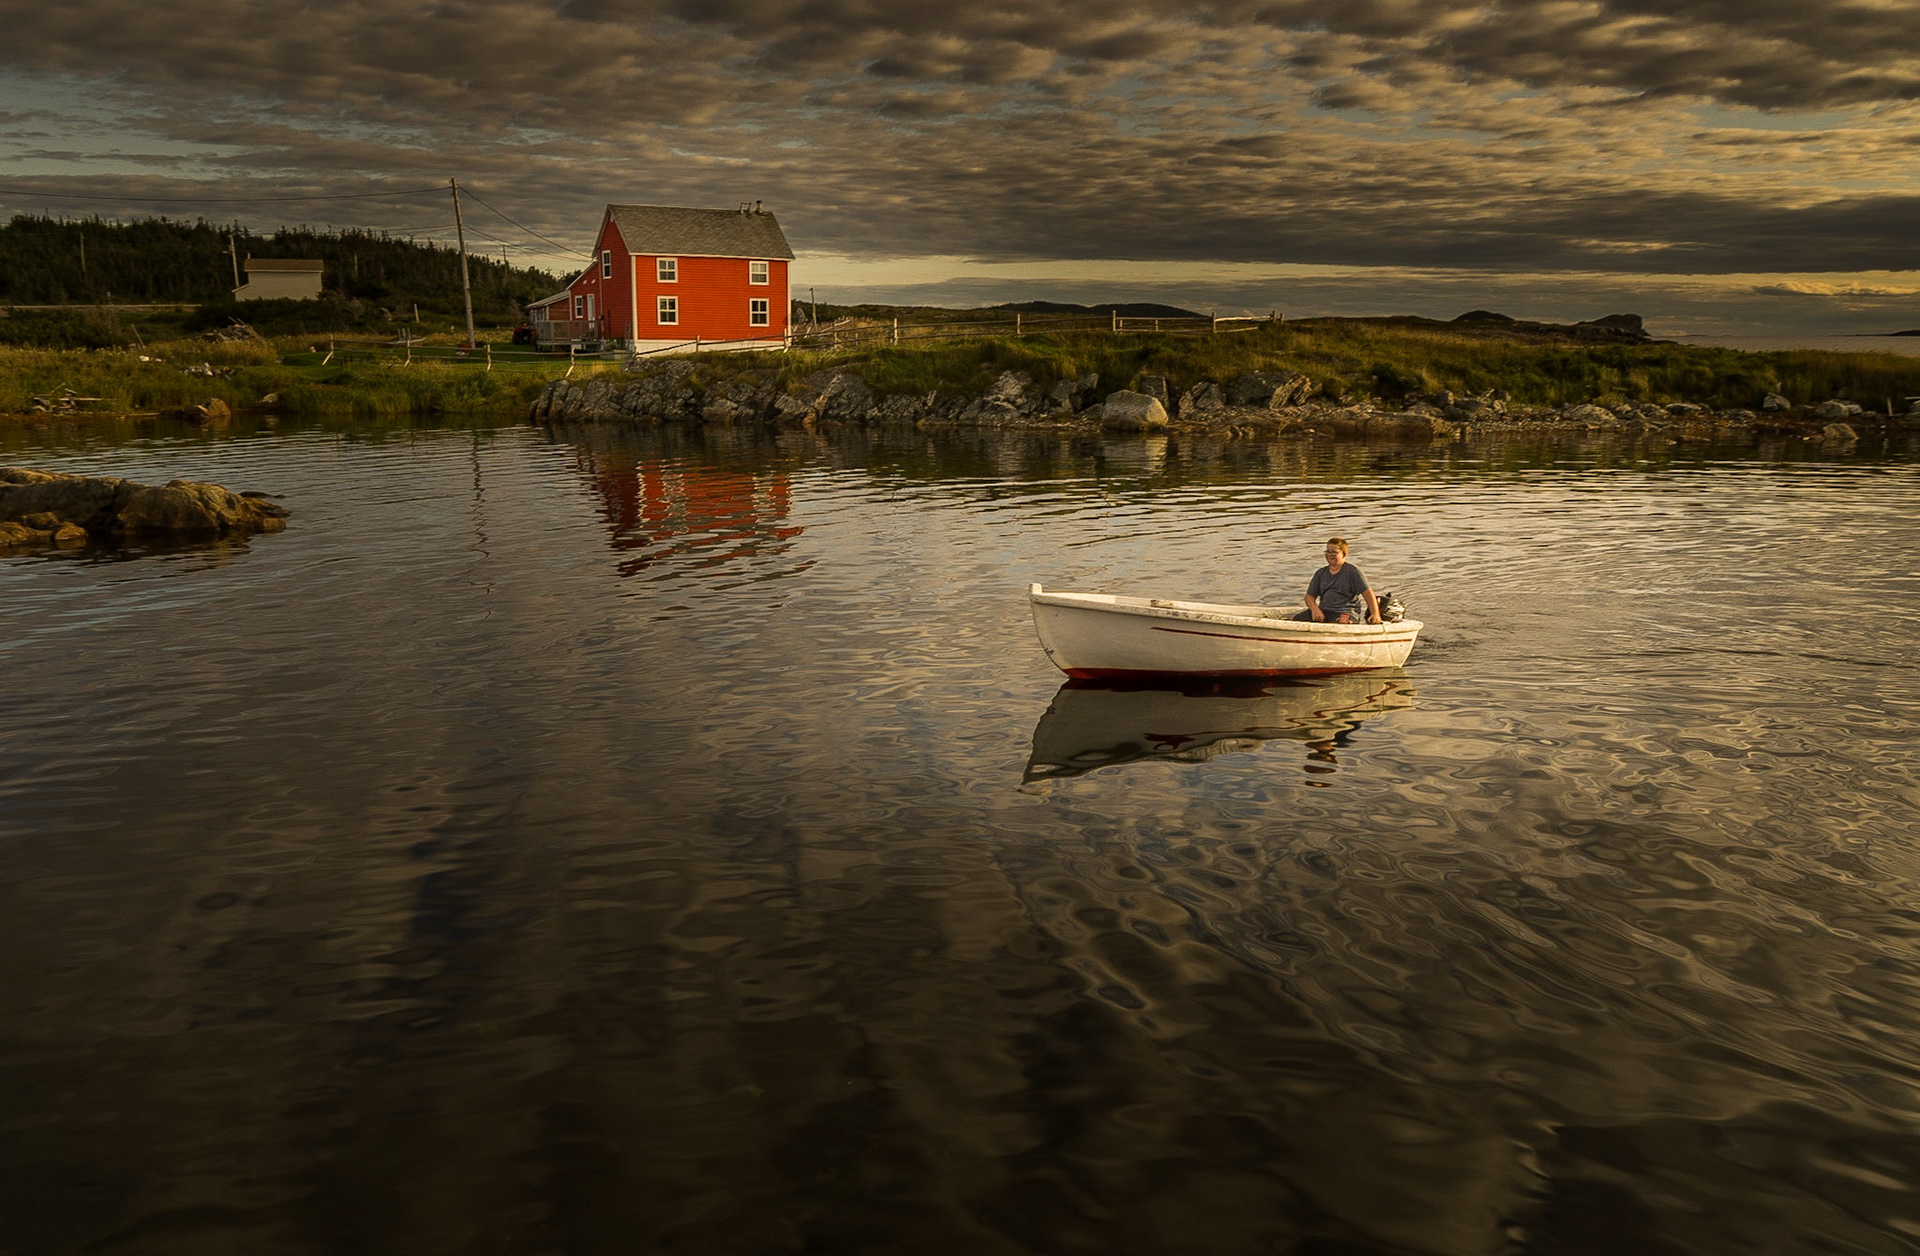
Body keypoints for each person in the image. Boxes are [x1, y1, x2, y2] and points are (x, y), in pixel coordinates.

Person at [1295, 537, 1382, 624]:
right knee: (1297, 619)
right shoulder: (1320, 573)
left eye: (1334, 552)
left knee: (1341, 623)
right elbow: (1309, 597)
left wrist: (1375, 614)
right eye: (1328, 552)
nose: (1330, 555)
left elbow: (1367, 593)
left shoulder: (1352, 572)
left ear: (1344, 554)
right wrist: (1315, 609)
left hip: (1345, 612)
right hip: (1324, 610)